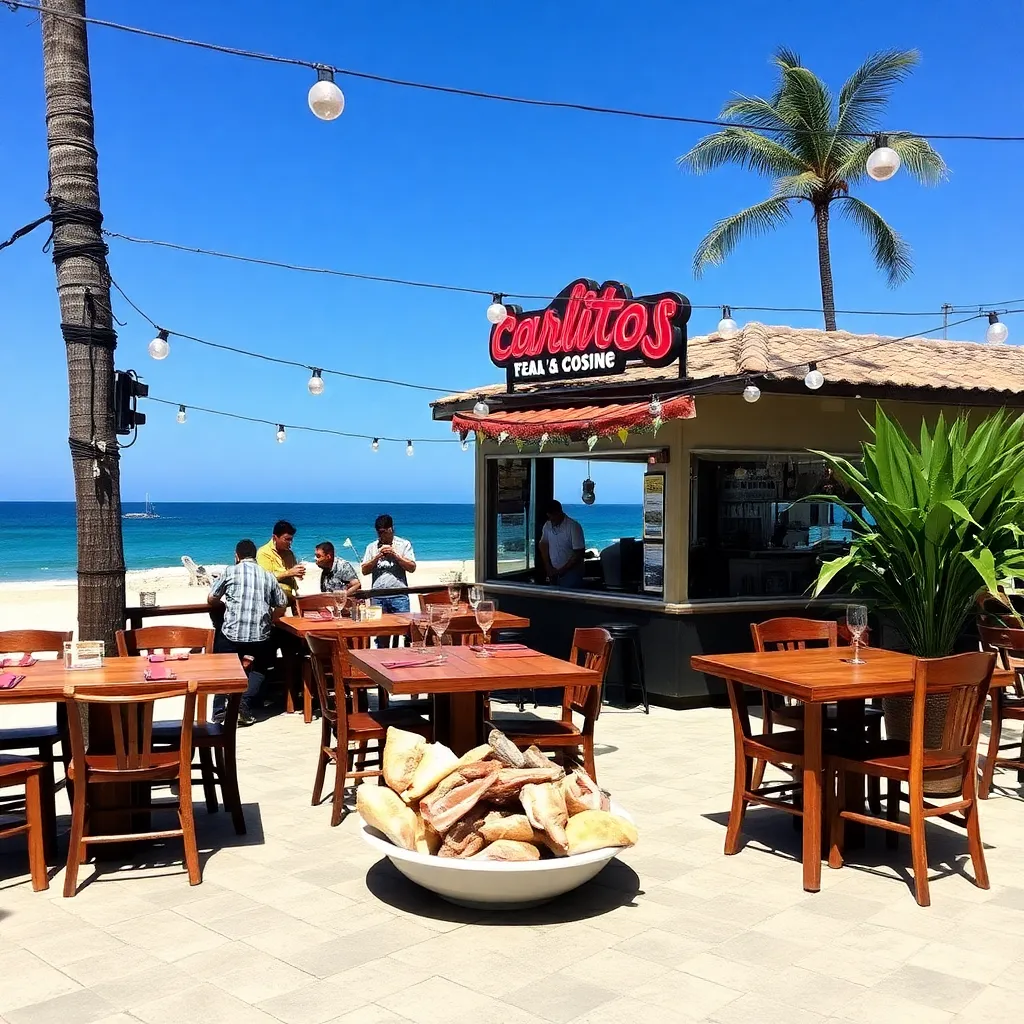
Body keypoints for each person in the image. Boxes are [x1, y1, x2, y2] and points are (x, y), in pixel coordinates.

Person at [208, 539, 288, 725]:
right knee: (261, 668)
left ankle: (220, 712)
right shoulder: (268, 576)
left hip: (231, 634)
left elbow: (212, 598)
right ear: (255, 556)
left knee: (222, 668)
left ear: (237, 556)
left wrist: (221, 605)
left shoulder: (230, 571)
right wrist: (273, 618)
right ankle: (244, 702)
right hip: (259, 636)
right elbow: (282, 603)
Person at [361, 513, 416, 614]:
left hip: (399, 595)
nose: (382, 536)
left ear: (391, 529)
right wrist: (376, 558)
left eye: (384, 532)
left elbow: (412, 567)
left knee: (403, 625)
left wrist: (395, 555)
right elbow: (364, 570)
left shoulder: (404, 544)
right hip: (377, 595)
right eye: (379, 533)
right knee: (379, 627)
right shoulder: (371, 547)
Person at [257, 520, 305, 606]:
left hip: (290, 596)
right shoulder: (263, 552)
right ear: (275, 537)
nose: (290, 543)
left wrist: (298, 574)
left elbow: (293, 578)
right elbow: (266, 578)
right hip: (273, 598)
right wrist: (289, 573)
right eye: (287, 539)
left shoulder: (289, 553)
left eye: (291, 539)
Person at [540, 500, 586, 588]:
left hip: (571, 573)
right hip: (554, 573)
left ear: (559, 512)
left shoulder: (573, 526)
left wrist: (562, 570)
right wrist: (548, 566)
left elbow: (579, 552)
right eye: (549, 517)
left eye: (553, 517)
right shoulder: (547, 525)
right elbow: (543, 544)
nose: (551, 520)